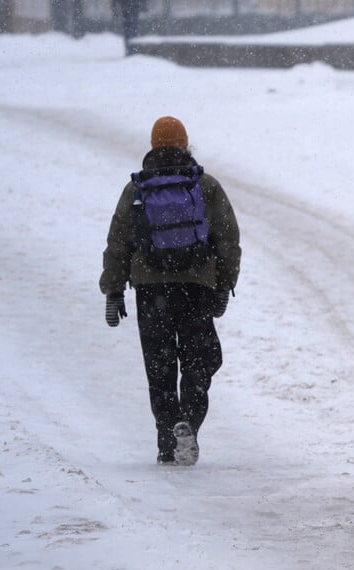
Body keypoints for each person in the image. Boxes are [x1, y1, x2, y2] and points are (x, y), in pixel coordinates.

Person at [100, 116, 241, 466]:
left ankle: (168, 440)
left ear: (153, 145)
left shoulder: (137, 190)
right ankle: (189, 423)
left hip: (150, 289)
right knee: (200, 360)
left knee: (159, 367)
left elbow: (118, 242)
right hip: (195, 287)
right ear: (185, 143)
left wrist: (113, 290)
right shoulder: (204, 185)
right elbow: (228, 238)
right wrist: (224, 284)